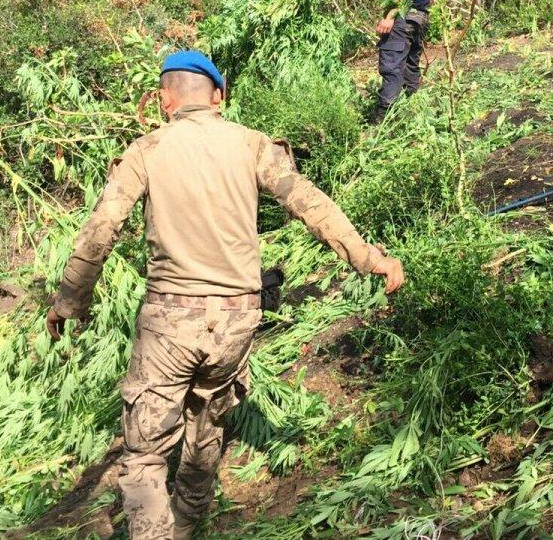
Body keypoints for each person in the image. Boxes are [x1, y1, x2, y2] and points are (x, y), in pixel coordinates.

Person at [45, 50, 405, 540]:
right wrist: (370, 257)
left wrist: (71, 300)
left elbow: (101, 228)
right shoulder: (253, 146)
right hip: (238, 318)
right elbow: (311, 205)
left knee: (146, 455)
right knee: (207, 424)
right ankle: (188, 523)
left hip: (170, 318)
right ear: (219, 96)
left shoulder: (147, 150)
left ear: (165, 99)